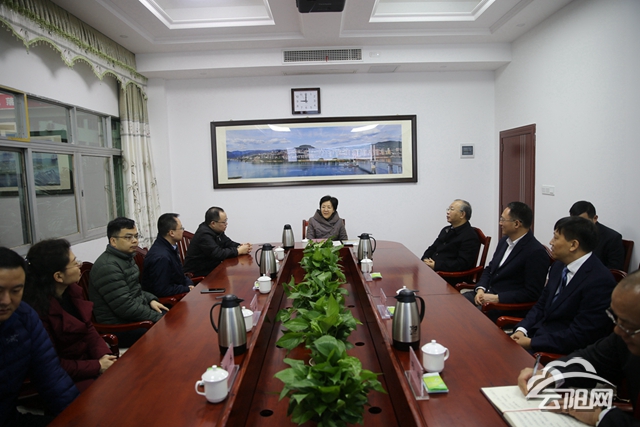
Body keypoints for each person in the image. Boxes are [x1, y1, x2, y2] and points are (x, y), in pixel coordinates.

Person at [517, 270, 640, 426]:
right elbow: (591, 359)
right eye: (615, 318)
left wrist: (600, 416)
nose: (617, 330)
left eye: (628, 325)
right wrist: (549, 374)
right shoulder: (622, 336)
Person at [511, 216, 616, 354]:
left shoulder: (599, 281)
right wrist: (522, 329)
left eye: (556, 238)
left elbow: (581, 335)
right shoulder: (558, 266)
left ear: (573, 245)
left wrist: (531, 343)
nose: (551, 242)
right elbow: (541, 304)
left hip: (560, 352)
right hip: (537, 335)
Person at [22, 239, 117, 392]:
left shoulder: (72, 291)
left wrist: (104, 356)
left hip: (87, 364)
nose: (80, 265)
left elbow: (88, 329)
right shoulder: (37, 312)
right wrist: (97, 366)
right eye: (74, 263)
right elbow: (52, 363)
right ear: (58, 276)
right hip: (64, 378)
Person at [0, 247, 79, 427]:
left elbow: (52, 379)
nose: (6, 301)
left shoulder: (24, 317)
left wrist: (78, 419)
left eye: (16, 290)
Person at [89, 217, 168, 347]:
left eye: (136, 236)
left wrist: (150, 300)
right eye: (128, 237)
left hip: (131, 317)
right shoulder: (108, 266)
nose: (135, 240)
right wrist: (156, 317)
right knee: (167, 327)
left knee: (171, 316)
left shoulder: (126, 258)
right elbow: (125, 307)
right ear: (113, 241)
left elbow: (136, 290)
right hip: (119, 327)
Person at [464, 201, 549, 320]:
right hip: (487, 294)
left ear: (517, 224)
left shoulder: (535, 252)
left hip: (507, 305)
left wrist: (497, 298)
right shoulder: (504, 242)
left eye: (503, 220)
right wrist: (480, 289)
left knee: (468, 318)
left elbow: (531, 293)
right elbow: (490, 268)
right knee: (456, 304)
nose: (500, 223)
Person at [183, 207, 252, 277]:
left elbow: (227, 242)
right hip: (199, 274)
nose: (226, 224)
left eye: (226, 220)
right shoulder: (204, 235)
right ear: (213, 223)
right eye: (223, 222)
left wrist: (240, 246)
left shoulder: (215, 230)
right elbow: (218, 254)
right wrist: (238, 251)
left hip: (212, 268)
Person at [421, 199, 480, 276]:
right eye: (448, 209)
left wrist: (436, 265)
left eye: (452, 209)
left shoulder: (470, 236)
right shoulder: (446, 230)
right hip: (434, 271)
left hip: (449, 275)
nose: (448, 212)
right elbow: (432, 248)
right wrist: (425, 260)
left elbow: (462, 263)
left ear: (462, 214)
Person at [142, 213, 194, 297]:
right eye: (181, 228)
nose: (183, 231)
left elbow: (179, 275)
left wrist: (189, 284)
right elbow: (163, 290)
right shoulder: (161, 257)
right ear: (171, 233)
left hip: (179, 291)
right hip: (169, 300)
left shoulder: (169, 247)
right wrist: (186, 289)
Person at [569, 200, 625, 270]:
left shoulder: (612, 238)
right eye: (574, 221)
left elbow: (614, 269)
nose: (577, 225)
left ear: (595, 218)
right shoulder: (569, 233)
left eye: (582, 221)